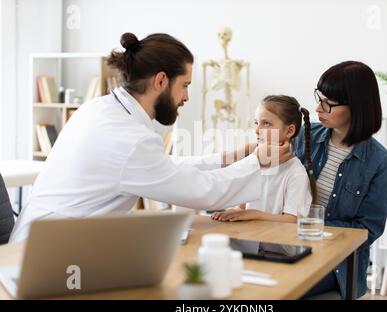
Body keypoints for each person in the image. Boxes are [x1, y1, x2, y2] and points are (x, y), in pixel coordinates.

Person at [9, 32, 291, 243]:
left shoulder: (100, 108)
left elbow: (167, 169)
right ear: (160, 81)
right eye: (185, 85)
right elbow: (202, 191)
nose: (186, 97)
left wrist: (231, 157)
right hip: (49, 255)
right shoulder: (128, 139)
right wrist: (259, 162)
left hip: (40, 239)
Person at [294, 61, 387, 299]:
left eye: (328, 103)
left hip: (337, 264)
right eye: (320, 98)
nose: (318, 108)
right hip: (289, 245)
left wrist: (315, 229)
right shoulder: (302, 135)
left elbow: (369, 229)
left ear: (356, 107)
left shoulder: (379, 161)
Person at [211, 95, 316, 223]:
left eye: (266, 124)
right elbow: (242, 206)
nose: (257, 130)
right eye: (256, 122)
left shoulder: (295, 172)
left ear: (289, 131)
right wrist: (236, 210)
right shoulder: (255, 162)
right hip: (252, 237)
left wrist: (252, 214)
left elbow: (292, 219)